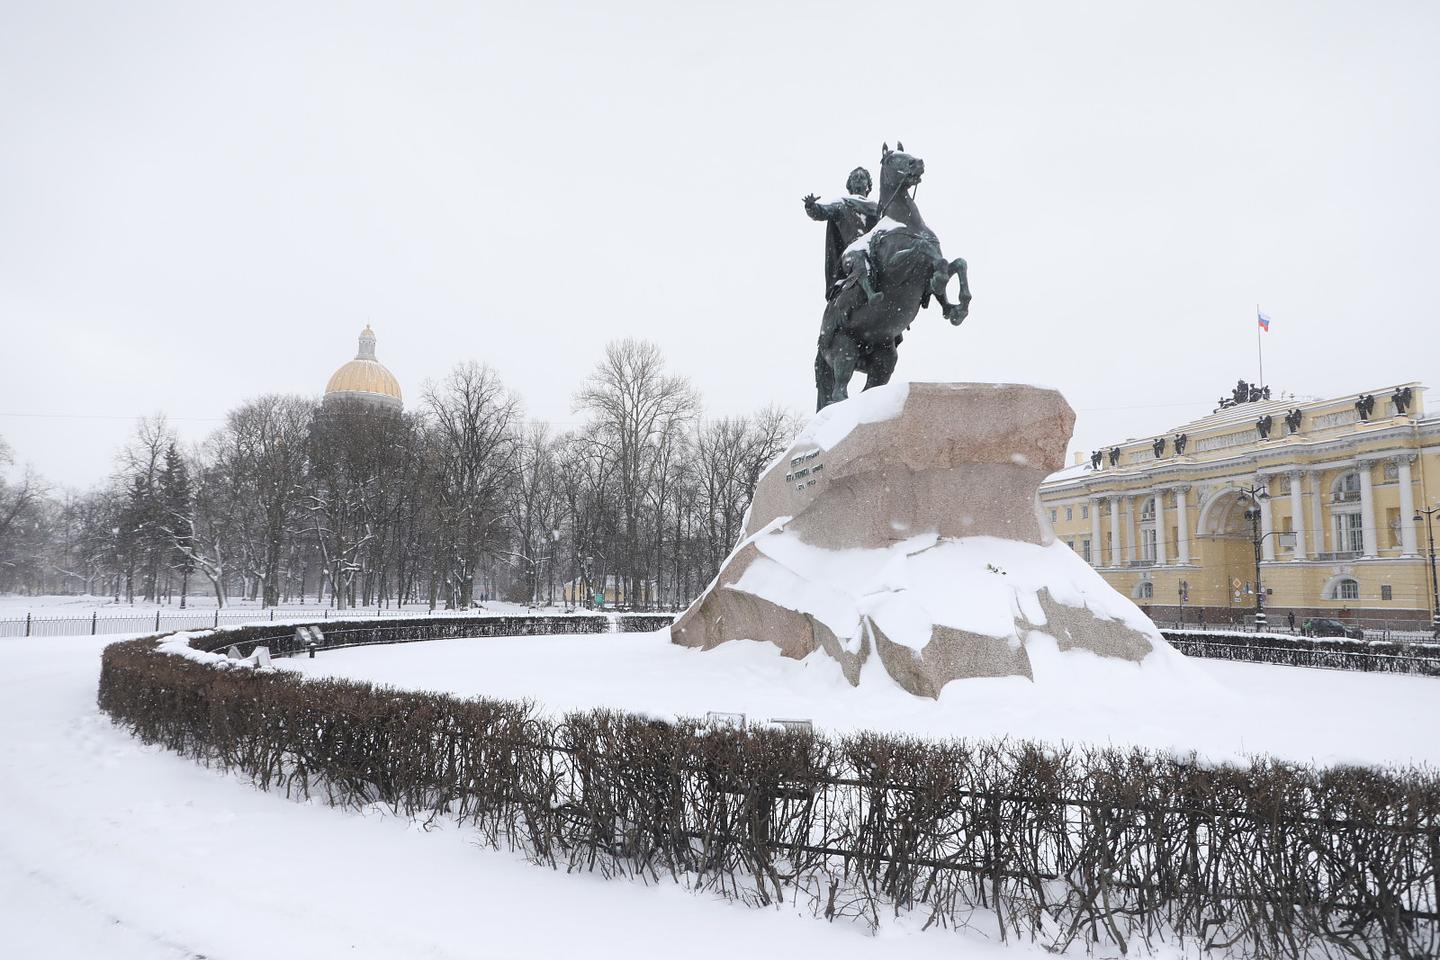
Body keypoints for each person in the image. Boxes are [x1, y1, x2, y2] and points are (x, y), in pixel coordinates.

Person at [803, 167, 882, 305]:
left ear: (868, 185)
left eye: (862, 177)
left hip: (874, 249)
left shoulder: (877, 208)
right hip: (852, 252)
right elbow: (822, 212)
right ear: (849, 185)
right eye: (854, 178)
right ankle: (870, 294)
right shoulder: (842, 204)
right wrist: (811, 207)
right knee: (859, 258)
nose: (858, 179)